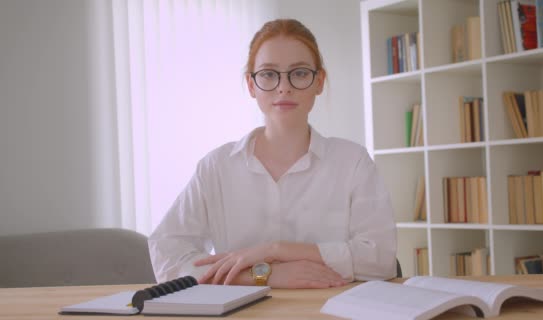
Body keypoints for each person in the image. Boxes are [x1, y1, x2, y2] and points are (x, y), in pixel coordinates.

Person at [148, 18, 397, 289]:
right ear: (251, 85)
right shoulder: (216, 166)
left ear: (319, 81)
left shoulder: (353, 162)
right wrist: (263, 275)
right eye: (268, 74)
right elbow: (167, 255)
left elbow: (380, 260)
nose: (283, 87)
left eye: (299, 73)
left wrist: (276, 250)